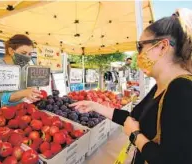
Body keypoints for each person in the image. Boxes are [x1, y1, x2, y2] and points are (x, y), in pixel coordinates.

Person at [70, 8, 192, 164]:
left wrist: (136, 136)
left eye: (140, 46)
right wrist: (94, 105)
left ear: (162, 47)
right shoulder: (162, 86)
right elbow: (132, 118)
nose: (138, 55)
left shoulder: (182, 90)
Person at [0, 34, 42, 112]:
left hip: (20, 112)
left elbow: (29, 87)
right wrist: (24, 93)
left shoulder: (25, 67)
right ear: (11, 51)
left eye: (29, 54)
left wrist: (32, 90)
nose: (27, 57)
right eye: (23, 53)